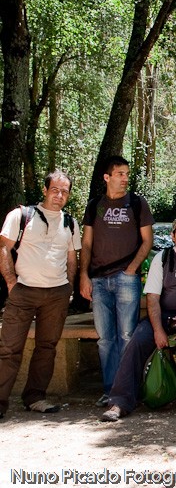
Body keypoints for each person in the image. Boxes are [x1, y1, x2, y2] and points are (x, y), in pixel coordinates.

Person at [100, 217, 176, 424]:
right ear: (173, 235)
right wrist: (157, 330)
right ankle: (120, 401)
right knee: (136, 342)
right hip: (163, 315)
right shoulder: (162, 258)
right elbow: (153, 298)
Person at [0, 171, 81, 417]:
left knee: (47, 347)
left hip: (56, 294)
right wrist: (12, 283)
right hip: (23, 292)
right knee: (9, 348)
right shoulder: (21, 215)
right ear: (45, 190)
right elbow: (4, 248)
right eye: (55, 190)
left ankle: (35, 397)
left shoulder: (70, 222)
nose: (59, 195)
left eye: (65, 191)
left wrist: (69, 286)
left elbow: (71, 257)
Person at [80, 156, 155, 408]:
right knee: (105, 338)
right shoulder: (95, 206)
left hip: (126, 278)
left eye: (127, 174)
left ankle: (127, 391)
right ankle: (110, 389)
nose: (125, 178)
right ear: (107, 177)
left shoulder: (136, 203)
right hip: (99, 280)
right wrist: (84, 275)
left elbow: (147, 241)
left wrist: (132, 269)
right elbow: (87, 243)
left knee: (126, 335)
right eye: (120, 174)